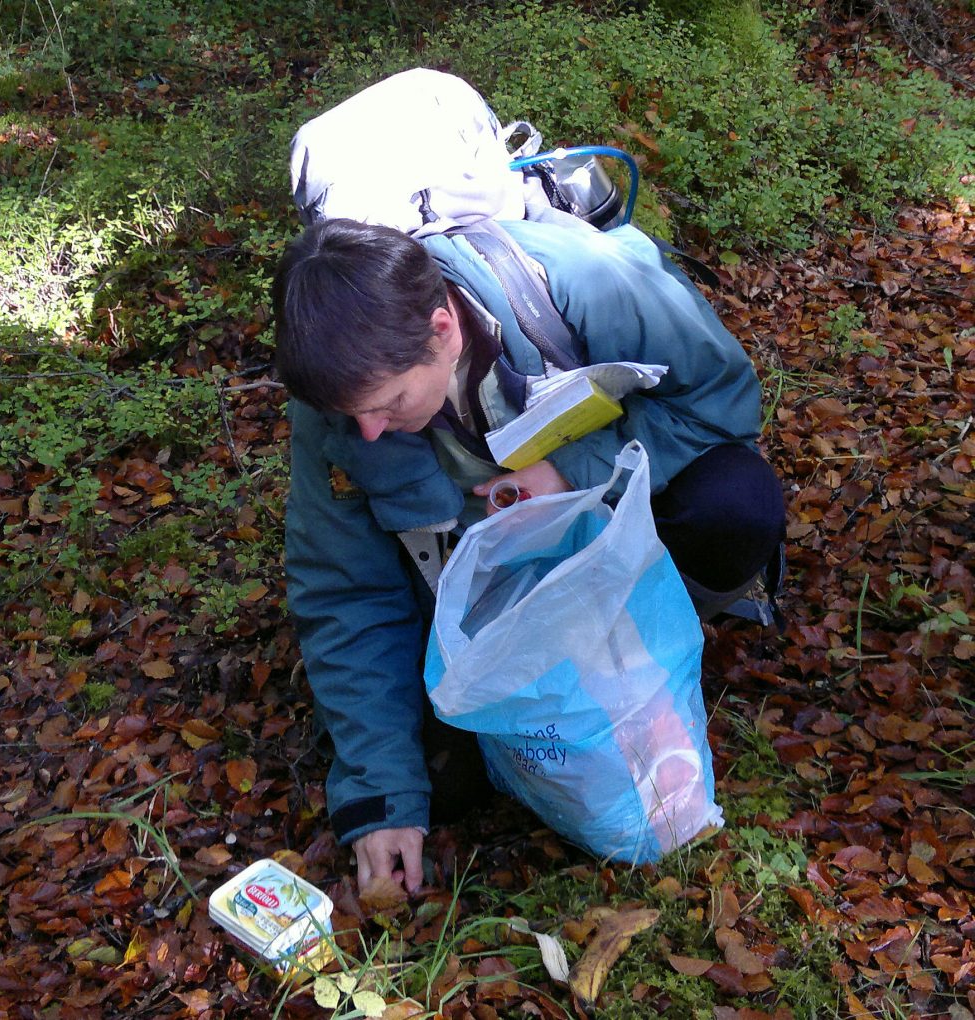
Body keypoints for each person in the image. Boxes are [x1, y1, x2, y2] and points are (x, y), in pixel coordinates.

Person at [272, 215, 784, 894]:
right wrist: (381, 796)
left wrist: (574, 471)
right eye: (353, 413)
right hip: (489, 580)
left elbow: (723, 405)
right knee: (443, 787)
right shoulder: (343, 392)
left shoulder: (582, 281)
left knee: (736, 505)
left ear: (442, 328)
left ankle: (656, 640)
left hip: (620, 514)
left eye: (389, 404)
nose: (367, 432)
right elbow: (344, 590)